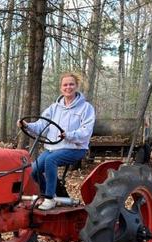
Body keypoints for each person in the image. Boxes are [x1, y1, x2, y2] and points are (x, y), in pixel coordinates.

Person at [18, 72, 95, 210]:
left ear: (76, 86)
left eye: (71, 84)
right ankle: (43, 195)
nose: (68, 87)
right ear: (61, 88)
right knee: (33, 170)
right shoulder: (54, 108)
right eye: (65, 85)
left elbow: (86, 131)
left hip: (75, 148)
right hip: (53, 148)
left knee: (51, 160)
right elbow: (41, 125)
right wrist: (27, 126)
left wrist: (69, 135)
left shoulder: (86, 108)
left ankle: (50, 197)